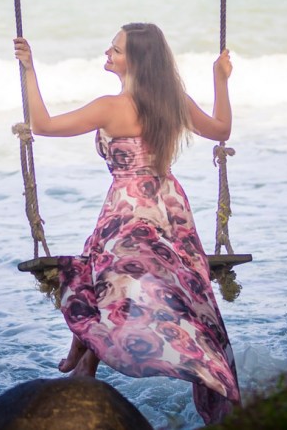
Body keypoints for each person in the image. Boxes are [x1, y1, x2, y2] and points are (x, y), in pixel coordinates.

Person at [13, 23, 240, 424]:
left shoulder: (109, 107)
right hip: (169, 206)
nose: (108, 52)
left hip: (128, 206)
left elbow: (44, 125)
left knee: (103, 272)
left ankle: (84, 357)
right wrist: (219, 80)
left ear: (134, 60)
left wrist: (29, 69)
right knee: (157, 281)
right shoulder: (174, 102)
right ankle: (85, 358)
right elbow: (222, 130)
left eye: (115, 49)